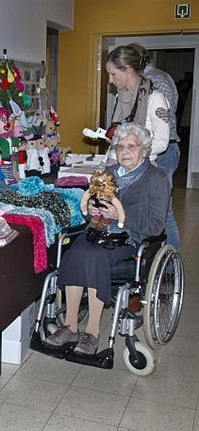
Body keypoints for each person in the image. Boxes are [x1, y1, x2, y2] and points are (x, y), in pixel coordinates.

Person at [43, 123, 170, 355]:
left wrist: (120, 216)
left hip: (130, 239)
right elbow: (90, 204)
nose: (125, 151)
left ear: (145, 150)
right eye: (120, 146)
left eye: (131, 146)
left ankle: (91, 333)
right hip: (98, 231)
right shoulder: (108, 173)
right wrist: (91, 209)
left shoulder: (157, 179)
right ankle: (70, 326)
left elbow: (156, 226)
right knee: (75, 251)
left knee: (94, 257)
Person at [129, 43, 181, 251]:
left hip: (163, 150)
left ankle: (170, 262)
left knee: (163, 211)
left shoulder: (156, 80)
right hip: (156, 149)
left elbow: (161, 121)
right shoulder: (152, 79)